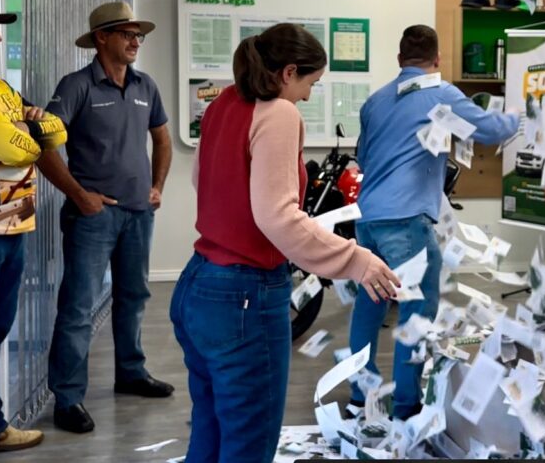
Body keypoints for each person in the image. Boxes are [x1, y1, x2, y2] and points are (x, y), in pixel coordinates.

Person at [170, 23, 399, 462]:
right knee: (248, 444)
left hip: (198, 284)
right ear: (289, 72)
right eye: (310, 83)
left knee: (211, 430)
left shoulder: (222, 104)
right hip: (244, 296)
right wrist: (356, 260)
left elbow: (203, 180)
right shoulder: (278, 113)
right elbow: (278, 216)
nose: (309, 97)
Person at [350, 24, 519, 420]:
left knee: (369, 306)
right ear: (437, 60)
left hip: (368, 218)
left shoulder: (375, 101)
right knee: (417, 311)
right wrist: (515, 116)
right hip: (406, 222)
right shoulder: (440, 93)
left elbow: (364, 158)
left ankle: (362, 395)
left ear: (399, 60)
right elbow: (491, 130)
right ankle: (406, 405)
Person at [36, 2, 174, 434]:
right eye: (126, 34)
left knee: (134, 298)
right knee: (78, 307)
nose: (135, 42)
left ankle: (131, 372)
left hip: (138, 214)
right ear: (101, 38)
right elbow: (43, 145)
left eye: (139, 36)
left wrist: (157, 188)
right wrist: (79, 195)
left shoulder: (145, 85)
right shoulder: (76, 86)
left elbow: (163, 141)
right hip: (92, 218)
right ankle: (68, 398)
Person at [0, 0, 66, 455]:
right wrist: (31, 133)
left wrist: (32, 130)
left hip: (15, 228)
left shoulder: (0, 88)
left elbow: (55, 130)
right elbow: (17, 147)